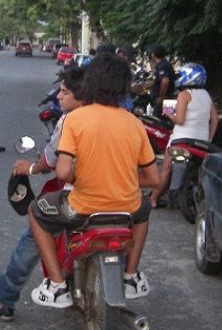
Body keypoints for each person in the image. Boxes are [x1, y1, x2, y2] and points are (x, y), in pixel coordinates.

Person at [28, 52, 164, 308]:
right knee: (144, 209)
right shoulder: (134, 123)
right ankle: (131, 276)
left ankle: (57, 286)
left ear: (90, 82)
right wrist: (120, 177)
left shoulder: (75, 119)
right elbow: (154, 179)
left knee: (35, 211)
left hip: (82, 209)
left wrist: (87, 175)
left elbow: (63, 172)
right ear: (124, 86)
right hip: (128, 210)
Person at [0, 66, 86, 322]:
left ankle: (5, 298)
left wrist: (32, 168)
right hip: (120, 201)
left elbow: (54, 161)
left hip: (80, 198)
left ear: (82, 93)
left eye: (64, 92)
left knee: (35, 227)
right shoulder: (122, 118)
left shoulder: (72, 120)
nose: (59, 97)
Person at [157, 62, 219, 198]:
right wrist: (209, 138)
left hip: (181, 140)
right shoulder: (206, 95)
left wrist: (168, 114)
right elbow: (215, 119)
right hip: (201, 142)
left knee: (166, 168)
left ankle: (154, 198)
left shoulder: (184, 95)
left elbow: (179, 120)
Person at [149, 44, 175, 117]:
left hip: (163, 101)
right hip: (169, 100)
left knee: (158, 123)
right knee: (169, 120)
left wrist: (161, 98)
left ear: (153, 54)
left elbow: (165, 81)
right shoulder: (166, 64)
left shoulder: (163, 66)